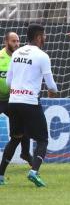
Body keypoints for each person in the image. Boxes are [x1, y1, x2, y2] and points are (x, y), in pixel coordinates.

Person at [0, 24, 58, 187]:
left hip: (13, 102)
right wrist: (53, 91)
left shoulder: (17, 53)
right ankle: (34, 172)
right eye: (44, 36)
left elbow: (8, 81)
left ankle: (0, 175)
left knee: (16, 138)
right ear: (39, 37)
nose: (45, 39)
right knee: (42, 139)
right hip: (30, 102)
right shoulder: (42, 56)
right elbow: (51, 85)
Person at [0, 32, 33, 170]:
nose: (16, 44)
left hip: (10, 100)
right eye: (13, 41)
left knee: (23, 124)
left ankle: (25, 153)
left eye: (18, 41)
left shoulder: (19, 57)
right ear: (6, 41)